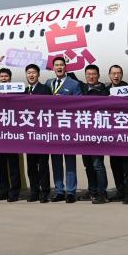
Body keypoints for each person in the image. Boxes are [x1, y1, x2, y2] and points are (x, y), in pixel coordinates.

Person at [47, 56, 82, 203]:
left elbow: (79, 105)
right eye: (56, 65)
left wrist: (64, 101)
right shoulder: (48, 83)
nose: (59, 67)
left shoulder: (74, 84)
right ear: (53, 68)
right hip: (53, 128)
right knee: (56, 162)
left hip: (68, 128)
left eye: (61, 65)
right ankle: (59, 190)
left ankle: (71, 191)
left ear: (65, 67)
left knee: (70, 161)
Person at [0, 67, 22, 202]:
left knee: (13, 165)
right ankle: (3, 190)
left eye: (6, 76)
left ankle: (14, 191)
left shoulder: (18, 91)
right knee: (0, 165)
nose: (4, 79)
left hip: (12, 135)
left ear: (10, 78)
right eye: (1, 77)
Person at [105, 64, 128, 204]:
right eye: (113, 73)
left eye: (118, 73)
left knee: (127, 165)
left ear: (122, 75)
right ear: (109, 75)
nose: (116, 76)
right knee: (115, 165)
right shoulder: (105, 90)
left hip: (125, 134)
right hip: (111, 134)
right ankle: (120, 191)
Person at [81, 65, 109, 204]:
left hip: (97, 134)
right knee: (88, 165)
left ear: (98, 75)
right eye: (88, 74)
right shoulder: (82, 89)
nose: (91, 77)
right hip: (84, 134)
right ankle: (92, 191)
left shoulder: (104, 91)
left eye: (93, 74)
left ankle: (102, 193)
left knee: (98, 164)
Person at [23, 64, 51, 203]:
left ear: (38, 75)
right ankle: (34, 191)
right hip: (28, 135)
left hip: (41, 134)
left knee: (43, 165)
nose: (31, 75)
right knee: (31, 166)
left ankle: (45, 192)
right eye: (29, 73)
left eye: (34, 72)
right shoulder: (23, 91)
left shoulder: (45, 89)